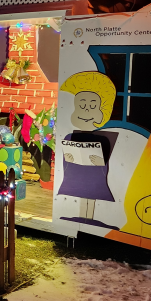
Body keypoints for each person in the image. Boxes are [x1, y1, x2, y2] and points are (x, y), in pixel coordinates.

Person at [57, 71, 119, 229]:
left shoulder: (102, 139)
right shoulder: (71, 135)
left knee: (91, 195)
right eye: (81, 105)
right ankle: (81, 217)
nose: (86, 110)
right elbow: (65, 155)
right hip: (78, 171)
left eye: (92, 106)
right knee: (81, 192)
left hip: (93, 173)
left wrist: (99, 162)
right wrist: (68, 156)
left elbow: (105, 160)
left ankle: (89, 218)